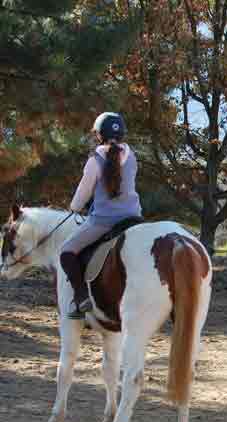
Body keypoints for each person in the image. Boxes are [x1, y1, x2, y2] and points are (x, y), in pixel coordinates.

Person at [62, 112, 143, 320]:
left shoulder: (96, 159)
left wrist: (74, 207)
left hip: (105, 222)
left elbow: (83, 193)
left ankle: (81, 299)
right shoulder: (132, 156)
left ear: (99, 135)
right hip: (134, 218)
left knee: (67, 252)